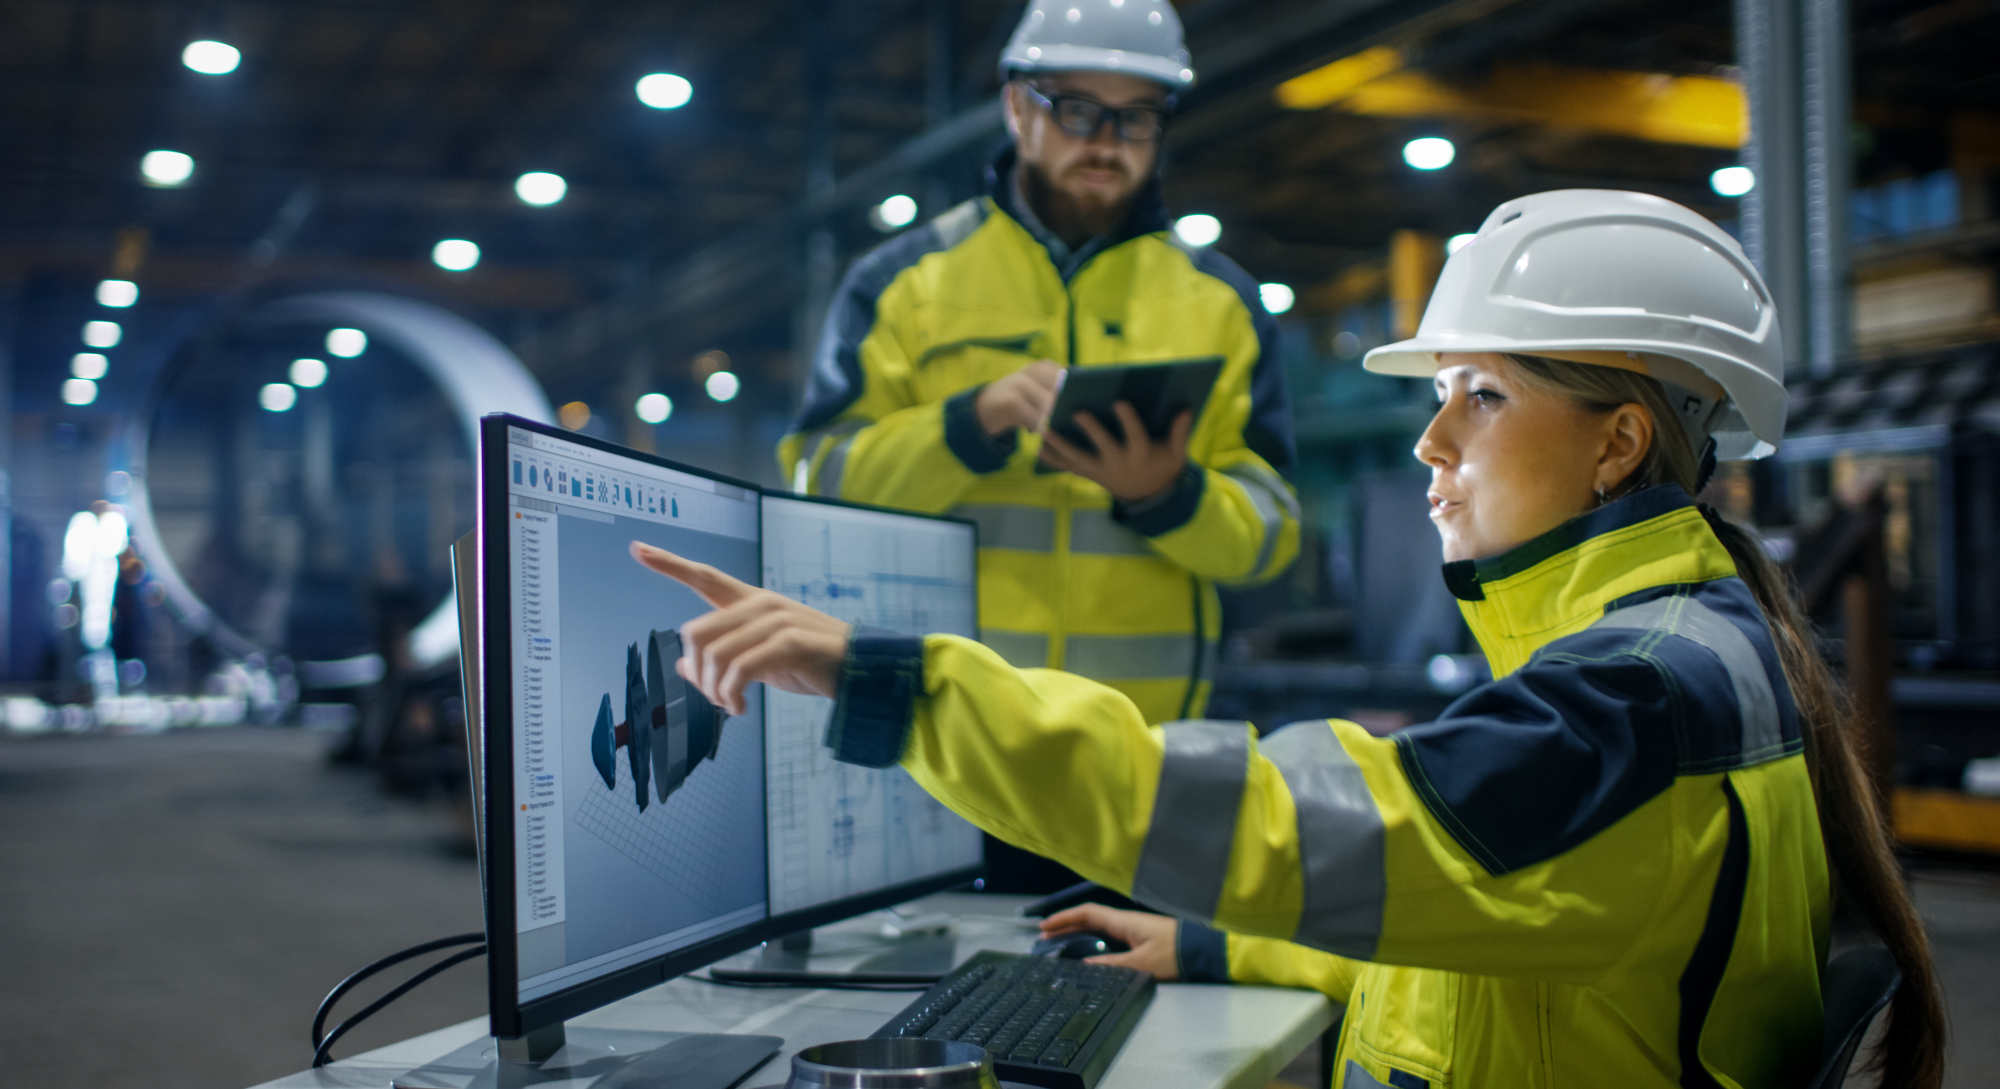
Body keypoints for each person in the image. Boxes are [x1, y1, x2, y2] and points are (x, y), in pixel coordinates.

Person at [640, 189, 1946, 1088]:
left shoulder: (1633, 698)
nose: (1432, 443)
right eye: (1442, 397)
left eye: (1483, 396)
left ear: (1621, 441)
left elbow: (1290, 819)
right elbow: (1484, 916)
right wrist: (1220, 946)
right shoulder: (1680, 642)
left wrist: (894, 684)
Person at [778, 0, 1299, 729]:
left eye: (1139, 116)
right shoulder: (902, 283)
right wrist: (968, 425)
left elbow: (1273, 537)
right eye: (1079, 110)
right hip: (948, 739)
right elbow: (815, 486)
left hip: (1140, 754)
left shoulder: (1224, 305)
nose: (1109, 142)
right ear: (1018, 107)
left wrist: (1169, 493)